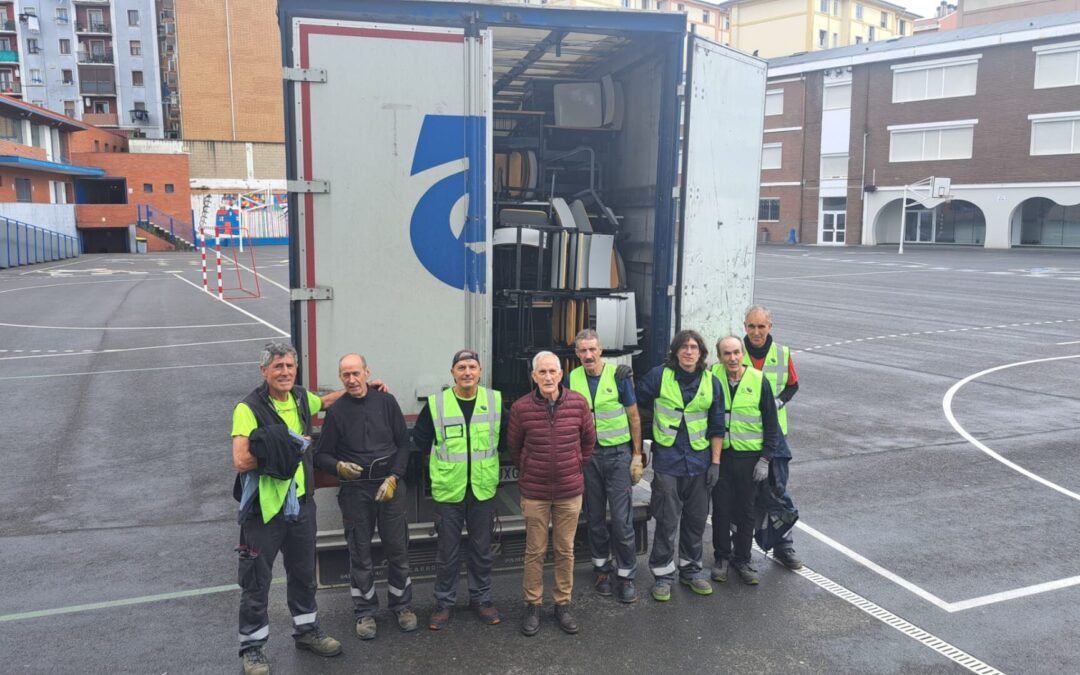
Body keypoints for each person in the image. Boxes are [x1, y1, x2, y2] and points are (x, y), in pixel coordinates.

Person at [231, 342, 345, 675]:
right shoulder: (247, 408)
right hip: (264, 511)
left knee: (304, 574)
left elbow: (323, 401)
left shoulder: (299, 398)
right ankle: (252, 649)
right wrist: (286, 448)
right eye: (278, 366)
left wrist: (359, 387)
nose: (285, 372)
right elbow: (240, 460)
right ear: (263, 371)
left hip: (300, 506)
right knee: (256, 581)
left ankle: (307, 631)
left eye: (290, 366)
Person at [313, 353, 417, 641]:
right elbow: (321, 454)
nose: (351, 379)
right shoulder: (336, 412)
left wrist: (395, 477)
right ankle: (365, 612)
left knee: (398, 549)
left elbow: (403, 445)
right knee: (360, 553)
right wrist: (338, 467)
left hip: (390, 485)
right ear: (340, 378)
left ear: (367, 372)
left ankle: (402, 606)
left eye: (356, 373)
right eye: (345, 375)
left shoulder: (386, 402)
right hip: (356, 490)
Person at [411, 349, 504, 631]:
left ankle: (482, 599)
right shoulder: (437, 404)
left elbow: (513, 434)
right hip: (449, 493)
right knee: (447, 553)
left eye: (472, 367)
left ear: (480, 371)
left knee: (481, 551)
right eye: (461, 367)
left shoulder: (494, 401)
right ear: (452, 372)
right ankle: (443, 604)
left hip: (482, 490)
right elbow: (420, 441)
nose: (467, 372)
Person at [507, 351, 595, 637]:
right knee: (534, 551)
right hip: (535, 491)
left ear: (561, 374)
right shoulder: (521, 408)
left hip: (570, 491)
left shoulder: (579, 403)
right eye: (541, 372)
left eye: (552, 372)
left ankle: (562, 604)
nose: (547, 377)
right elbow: (514, 447)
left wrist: (575, 464)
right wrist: (531, 468)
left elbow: (588, 441)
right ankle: (533, 605)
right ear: (534, 376)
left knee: (565, 550)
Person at [635, 330, 725, 602]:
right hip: (668, 462)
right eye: (684, 347)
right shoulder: (659, 376)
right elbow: (634, 404)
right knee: (666, 520)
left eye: (694, 347)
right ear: (675, 352)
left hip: (700, 463)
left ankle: (691, 571)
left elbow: (717, 426)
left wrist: (716, 463)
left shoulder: (712, 382)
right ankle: (663, 576)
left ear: (701, 353)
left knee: (696, 521)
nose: (689, 351)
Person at [567, 329, 643, 604]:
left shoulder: (619, 377)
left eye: (592, 350)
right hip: (588, 457)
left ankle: (626, 576)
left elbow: (634, 418)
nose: (588, 355)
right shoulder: (571, 379)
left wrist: (637, 456)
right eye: (582, 350)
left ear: (600, 351)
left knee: (622, 522)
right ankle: (601, 570)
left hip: (617, 456)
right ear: (576, 354)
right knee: (595, 518)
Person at [709, 336, 780, 586]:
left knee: (746, 511)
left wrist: (765, 459)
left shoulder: (759, 381)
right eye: (727, 354)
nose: (733, 358)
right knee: (720, 509)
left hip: (749, 459)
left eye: (737, 352)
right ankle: (721, 558)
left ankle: (743, 559)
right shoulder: (711, 375)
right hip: (721, 456)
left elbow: (772, 423)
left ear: (743, 354)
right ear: (719, 357)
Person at [742, 305, 803, 570]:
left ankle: (783, 545)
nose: (756, 332)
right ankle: (740, 547)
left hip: (776, 438)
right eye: (752, 326)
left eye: (761, 326)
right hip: (743, 436)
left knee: (778, 491)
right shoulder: (734, 353)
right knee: (744, 494)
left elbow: (793, 384)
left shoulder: (782, 353)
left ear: (770, 326)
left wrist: (778, 402)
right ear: (745, 327)